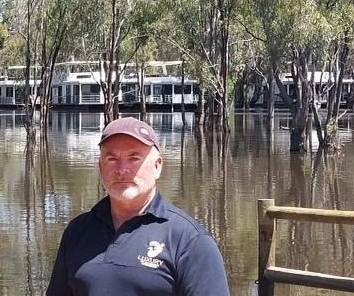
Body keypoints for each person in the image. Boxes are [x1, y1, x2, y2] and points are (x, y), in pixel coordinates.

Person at [46, 117, 230, 296]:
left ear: (157, 166)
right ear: (100, 167)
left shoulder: (190, 241)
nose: (121, 169)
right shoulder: (78, 231)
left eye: (134, 158)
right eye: (112, 159)